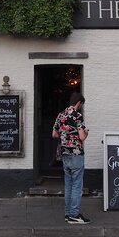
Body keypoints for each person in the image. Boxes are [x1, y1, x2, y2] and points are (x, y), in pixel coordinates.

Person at [52, 92, 91, 224]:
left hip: (65, 155)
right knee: (76, 186)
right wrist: (86, 132)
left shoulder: (61, 115)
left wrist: (65, 137)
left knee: (68, 185)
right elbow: (82, 137)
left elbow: (54, 134)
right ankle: (74, 214)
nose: (80, 107)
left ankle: (68, 213)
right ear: (79, 103)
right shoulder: (77, 116)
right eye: (81, 104)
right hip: (76, 154)